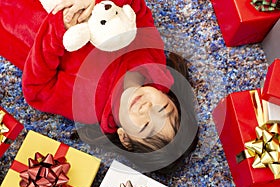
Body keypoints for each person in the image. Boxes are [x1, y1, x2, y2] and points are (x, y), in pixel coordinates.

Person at [0, 0, 199, 172]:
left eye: (146, 126)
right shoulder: (152, 60)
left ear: (125, 139)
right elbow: (138, 9)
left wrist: (59, 27)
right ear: (170, 98)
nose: (146, 109)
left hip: (25, 19)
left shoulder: (89, 107)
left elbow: (37, 90)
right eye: (162, 109)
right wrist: (97, 4)